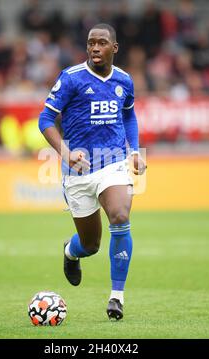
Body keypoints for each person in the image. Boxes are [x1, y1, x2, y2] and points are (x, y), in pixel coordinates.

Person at [38, 23, 146, 320]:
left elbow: (129, 114)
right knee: (91, 244)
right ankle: (71, 252)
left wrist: (134, 151)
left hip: (113, 162)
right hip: (78, 170)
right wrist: (66, 153)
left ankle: (116, 297)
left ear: (114, 48)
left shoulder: (124, 80)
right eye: (90, 43)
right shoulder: (71, 78)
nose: (95, 48)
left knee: (121, 217)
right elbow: (45, 118)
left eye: (101, 43)